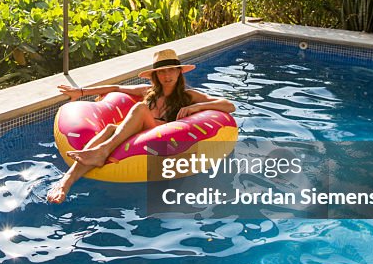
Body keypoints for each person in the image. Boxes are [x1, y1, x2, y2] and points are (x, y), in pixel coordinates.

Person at [46, 49, 235, 203]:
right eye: (161, 71)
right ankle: (65, 182)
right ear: (155, 75)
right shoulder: (148, 92)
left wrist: (198, 106)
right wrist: (81, 91)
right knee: (110, 128)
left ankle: (102, 151)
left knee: (140, 109)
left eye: (171, 70)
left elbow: (229, 105)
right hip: (134, 139)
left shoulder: (189, 96)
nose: (166, 75)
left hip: (159, 142)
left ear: (179, 72)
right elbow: (116, 89)